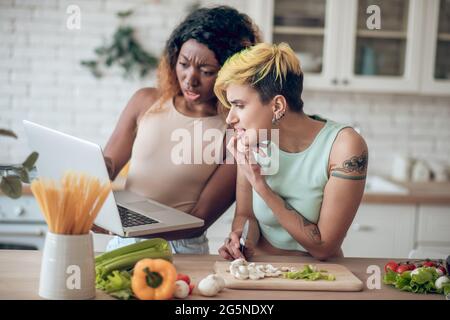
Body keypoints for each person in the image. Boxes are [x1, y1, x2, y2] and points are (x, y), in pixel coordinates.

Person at [99, 6, 261, 254]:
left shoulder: (235, 130)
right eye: (183, 64)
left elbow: (199, 220)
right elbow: (105, 171)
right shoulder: (145, 101)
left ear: (231, 74)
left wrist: (128, 227)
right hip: (122, 239)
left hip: (179, 249)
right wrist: (94, 172)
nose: (190, 79)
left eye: (206, 72)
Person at [215, 43, 368, 261]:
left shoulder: (344, 146)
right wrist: (241, 239)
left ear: (277, 106)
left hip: (321, 278)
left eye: (239, 105)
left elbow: (323, 247)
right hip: (261, 270)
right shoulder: (254, 142)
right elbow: (246, 215)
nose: (230, 118)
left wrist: (261, 185)